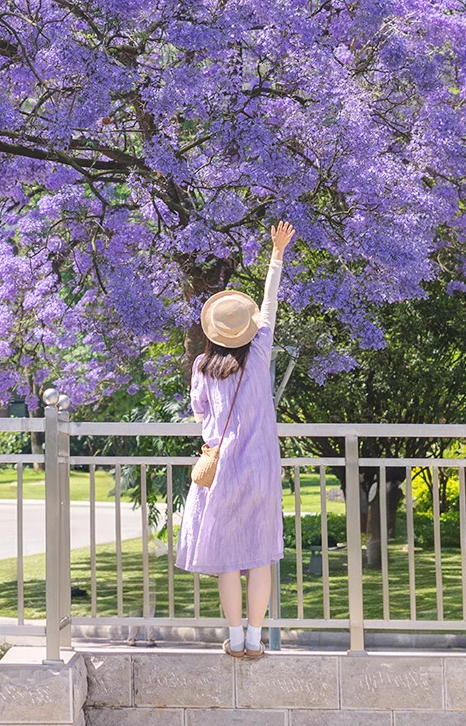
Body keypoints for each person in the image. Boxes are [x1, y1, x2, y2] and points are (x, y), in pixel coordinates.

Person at [176, 219, 295, 659]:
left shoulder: (203, 367)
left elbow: (200, 414)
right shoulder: (260, 353)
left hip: (222, 467)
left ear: (212, 332)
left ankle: (236, 636)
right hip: (260, 467)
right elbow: (270, 302)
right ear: (248, 329)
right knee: (260, 554)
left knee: (228, 557)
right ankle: (256, 638)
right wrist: (276, 254)